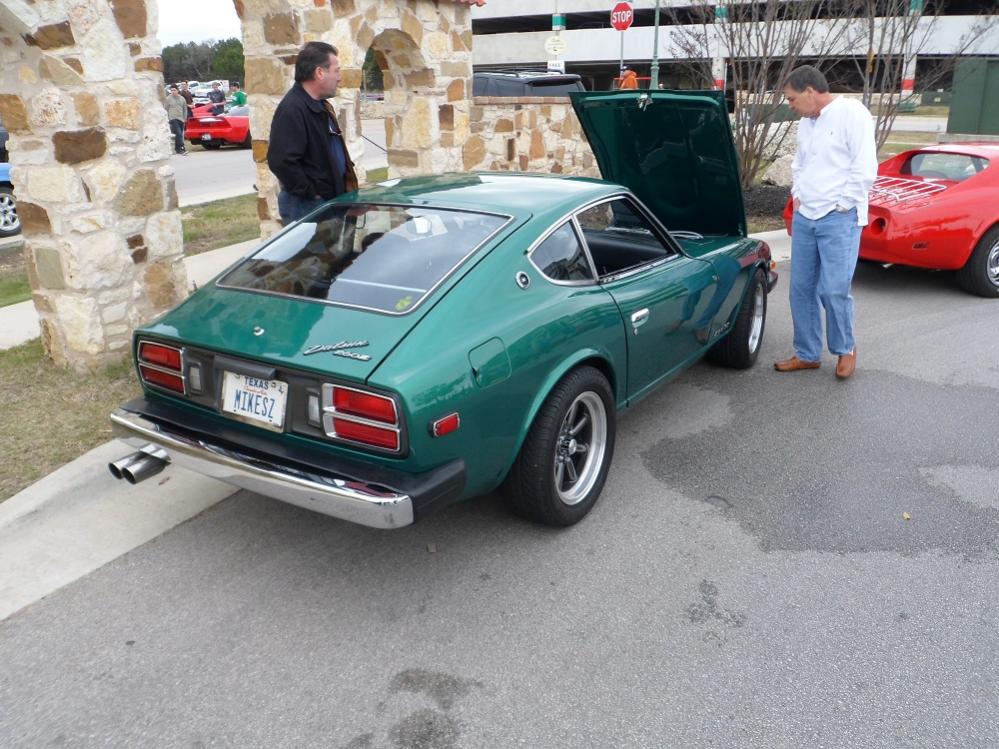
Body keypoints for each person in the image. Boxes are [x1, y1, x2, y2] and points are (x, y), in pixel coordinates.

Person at [774, 65, 877, 380]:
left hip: (839, 218)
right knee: (801, 289)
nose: (789, 105)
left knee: (834, 290)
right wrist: (799, 193)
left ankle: (845, 349)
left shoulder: (852, 113)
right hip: (808, 217)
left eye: (792, 98)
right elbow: (800, 161)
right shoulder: (807, 123)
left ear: (809, 91)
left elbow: (865, 166)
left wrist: (843, 204)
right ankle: (807, 354)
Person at [267, 41, 357, 225]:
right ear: (319, 73)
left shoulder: (322, 106)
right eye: (336, 70)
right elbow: (281, 161)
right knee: (316, 255)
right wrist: (312, 194)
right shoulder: (293, 109)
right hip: (309, 208)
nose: (339, 78)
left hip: (330, 203)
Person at [165, 85, 188, 155]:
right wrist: (167, 118)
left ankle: (177, 149)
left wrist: (184, 118)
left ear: (177, 90)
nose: (173, 91)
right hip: (172, 118)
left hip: (181, 118)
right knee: (178, 133)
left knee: (179, 134)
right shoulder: (168, 99)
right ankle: (182, 148)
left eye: (174, 90)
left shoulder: (182, 98)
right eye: (171, 90)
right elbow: (166, 109)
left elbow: (185, 109)